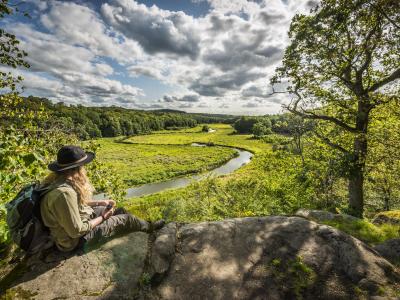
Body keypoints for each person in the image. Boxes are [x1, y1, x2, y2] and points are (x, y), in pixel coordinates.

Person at [40, 145, 165, 252]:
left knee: (119, 210)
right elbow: (76, 231)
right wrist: (104, 217)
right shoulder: (64, 194)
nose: (84, 169)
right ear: (77, 168)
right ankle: (150, 228)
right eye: (83, 166)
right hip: (73, 241)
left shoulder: (58, 182)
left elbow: (73, 205)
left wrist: (100, 202)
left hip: (79, 221)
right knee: (127, 219)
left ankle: (144, 225)